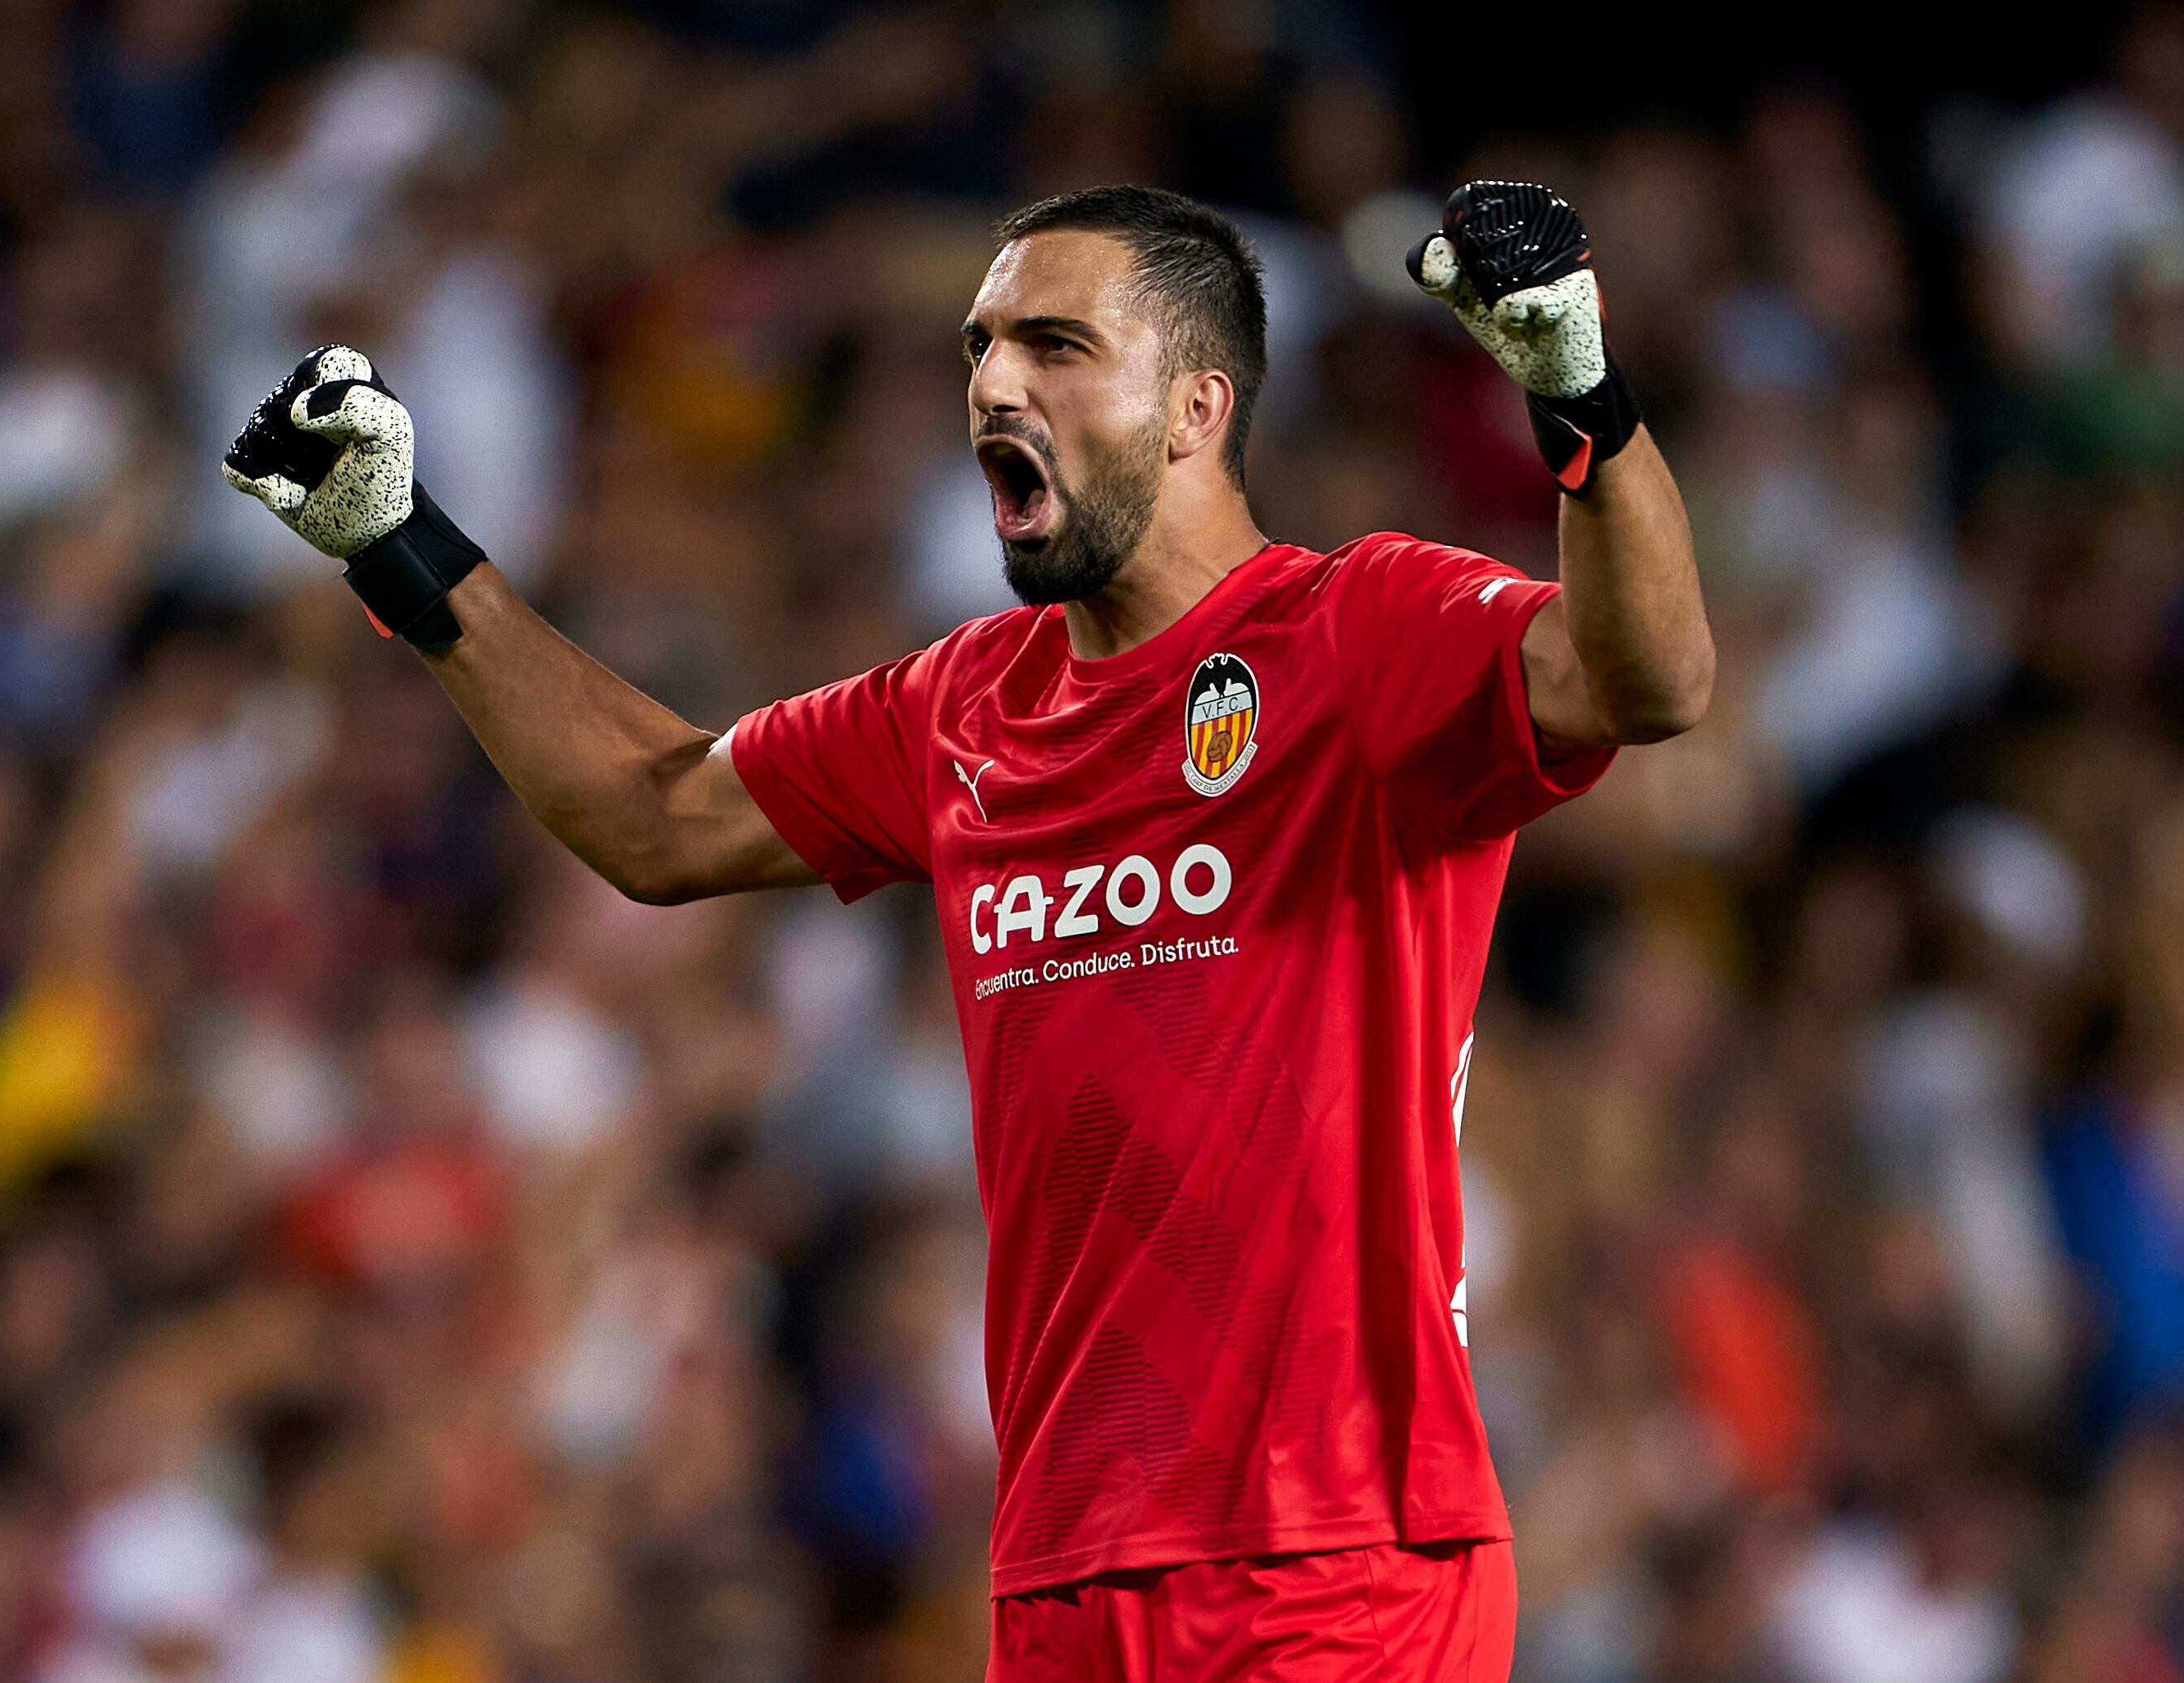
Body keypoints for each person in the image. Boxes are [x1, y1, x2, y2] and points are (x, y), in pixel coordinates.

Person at [224, 180, 1712, 1682]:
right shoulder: (958, 710)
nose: (997, 382)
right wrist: (400, 546)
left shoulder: (1356, 631)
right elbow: (655, 814)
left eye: (1056, 345)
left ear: (1197, 406)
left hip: (1335, 1556)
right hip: (1061, 1573)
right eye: (983, 347)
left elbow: (1646, 679)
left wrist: (1580, 395)